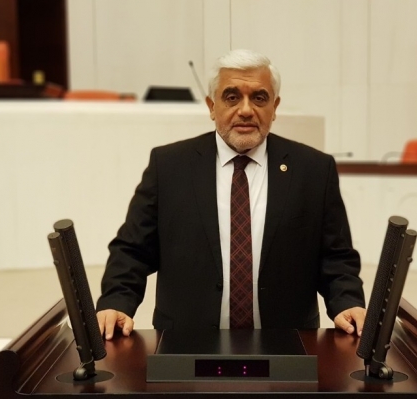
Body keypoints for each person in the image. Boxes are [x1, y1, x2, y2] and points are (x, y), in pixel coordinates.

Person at [96, 49, 366, 339]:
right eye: (232, 97)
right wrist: (116, 302)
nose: (246, 110)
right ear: (212, 106)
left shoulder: (313, 170)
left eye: (259, 98)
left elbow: (336, 256)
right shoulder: (169, 166)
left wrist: (347, 302)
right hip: (185, 343)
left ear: (275, 107)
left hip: (289, 344)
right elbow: (132, 249)